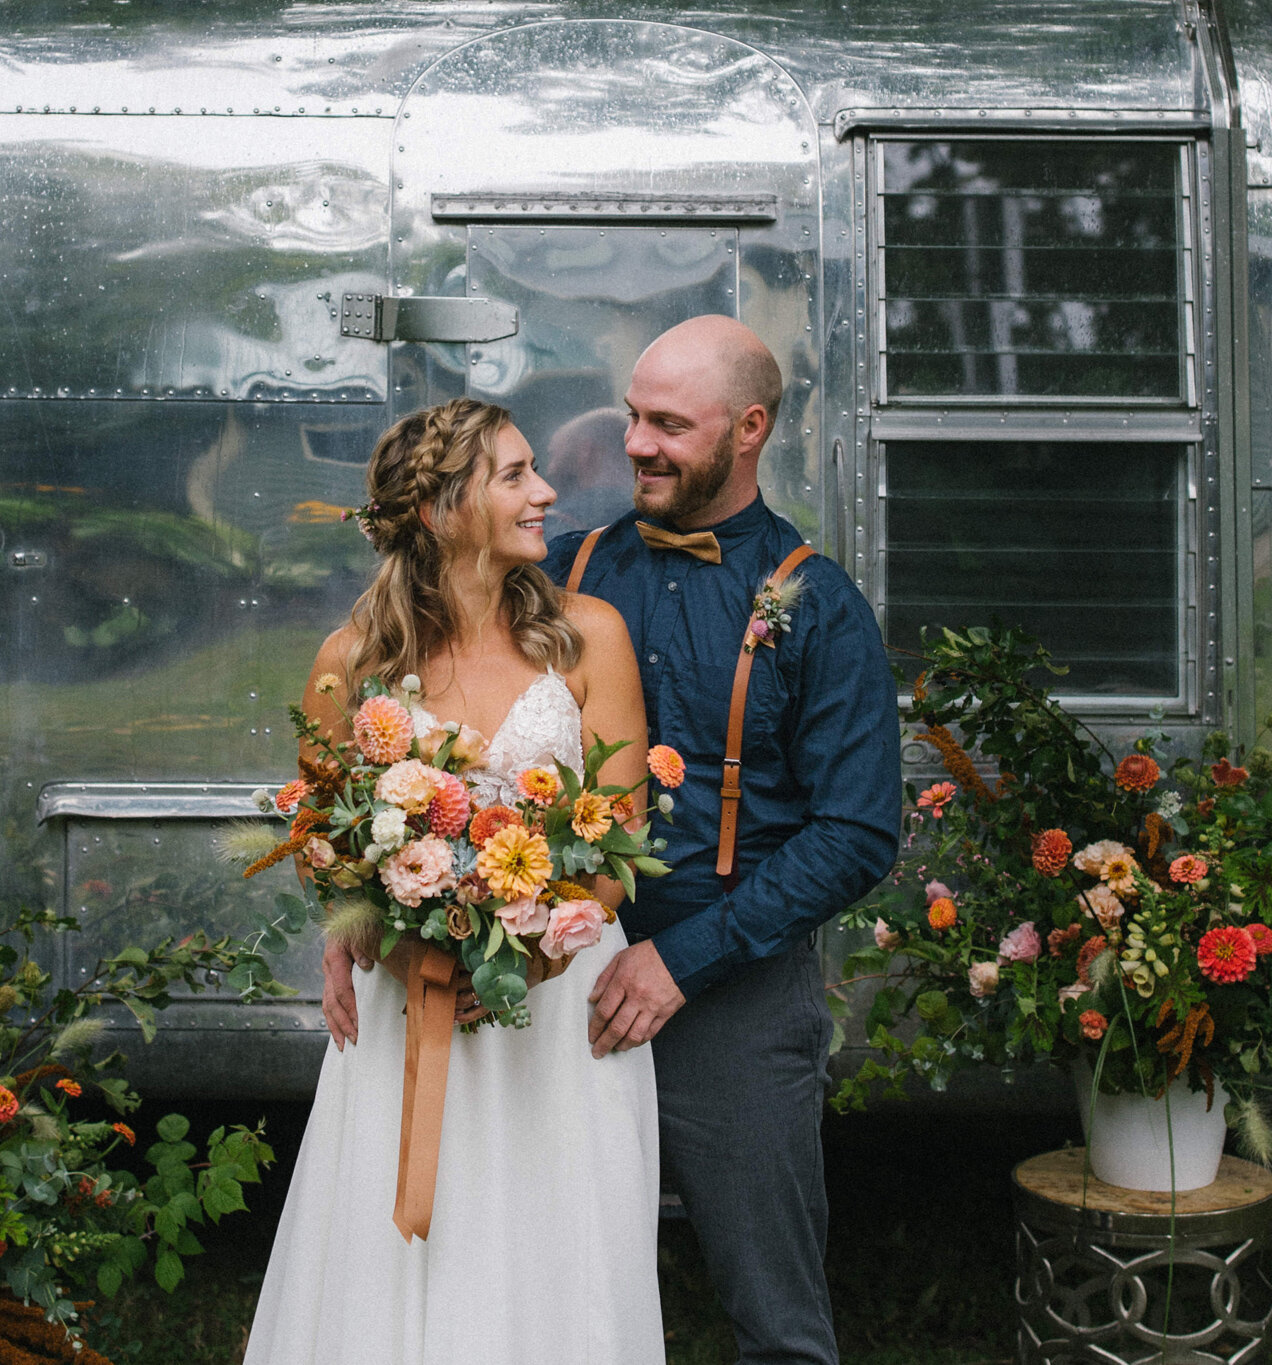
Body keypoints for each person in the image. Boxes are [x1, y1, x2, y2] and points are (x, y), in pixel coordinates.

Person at [244, 398, 664, 1365]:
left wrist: (532, 955)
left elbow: (624, 834)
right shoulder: (352, 662)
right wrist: (381, 937)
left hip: (558, 1017)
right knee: (403, 1267)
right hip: (411, 1003)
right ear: (441, 509)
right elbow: (325, 841)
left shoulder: (589, 633)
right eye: (515, 475)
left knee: (557, 1249)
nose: (546, 491)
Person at [550, 316, 902, 1365]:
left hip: (734, 993)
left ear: (748, 429)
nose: (636, 444)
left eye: (668, 423)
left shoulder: (817, 604)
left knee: (775, 1321)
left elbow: (853, 834)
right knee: (549, 1285)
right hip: (557, 977)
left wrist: (680, 959)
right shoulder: (565, 575)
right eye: (632, 416)